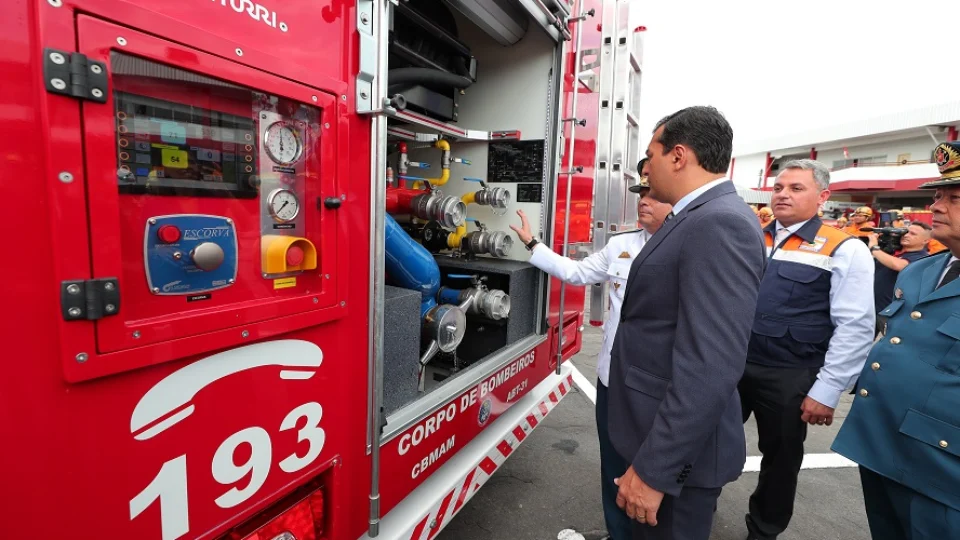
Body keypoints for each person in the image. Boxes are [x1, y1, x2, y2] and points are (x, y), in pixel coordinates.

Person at [607, 106, 766, 540]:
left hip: (676, 458)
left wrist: (656, 470)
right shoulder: (695, 216)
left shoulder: (719, 223)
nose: (646, 167)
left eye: (651, 154)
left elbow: (710, 364)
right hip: (652, 431)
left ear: (678, 156)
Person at [510, 162, 672, 540]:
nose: (643, 201)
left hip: (656, 388)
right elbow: (577, 272)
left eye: (652, 195)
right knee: (613, 464)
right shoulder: (621, 245)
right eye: (640, 194)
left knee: (654, 471)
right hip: (613, 378)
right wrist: (533, 244)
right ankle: (619, 533)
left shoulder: (690, 247)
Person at [738, 159, 875, 540]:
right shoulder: (752, 236)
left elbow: (855, 325)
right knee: (707, 442)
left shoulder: (844, 248)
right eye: (778, 187)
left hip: (790, 374)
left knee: (780, 460)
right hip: (733, 363)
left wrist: (827, 390)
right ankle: (695, 511)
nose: (783, 194)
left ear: (822, 196)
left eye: (796, 188)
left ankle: (763, 530)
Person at [832, 141, 960, 539]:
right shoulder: (920, 271)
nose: (936, 206)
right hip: (881, 445)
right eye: (937, 196)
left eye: (954, 198)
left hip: (943, 469)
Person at [869, 222, 931, 335]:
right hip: (873, 307)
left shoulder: (923, 257)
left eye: (913, 234)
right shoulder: (893, 253)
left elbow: (899, 265)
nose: (906, 235)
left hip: (890, 312)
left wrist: (874, 247)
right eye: (906, 232)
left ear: (925, 240)